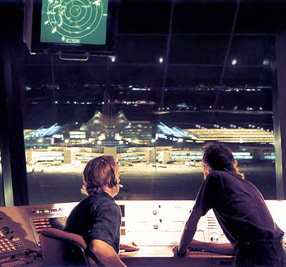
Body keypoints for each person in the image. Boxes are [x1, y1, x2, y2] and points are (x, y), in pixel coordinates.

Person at [173, 143, 286, 266]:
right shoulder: (249, 186)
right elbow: (240, 248)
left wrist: (181, 251)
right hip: (279, 254)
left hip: (255, 258)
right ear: (233, 162)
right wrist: (196, 244)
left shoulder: (215, 178)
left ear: (205, 166)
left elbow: (191, 223)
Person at [64, 155, 138, 267]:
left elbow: (84, 241)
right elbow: (98, 246)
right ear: (111, 180)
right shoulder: (109, 207)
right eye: (118, 175)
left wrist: (115, 244)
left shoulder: (83, 206)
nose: (118, 179)